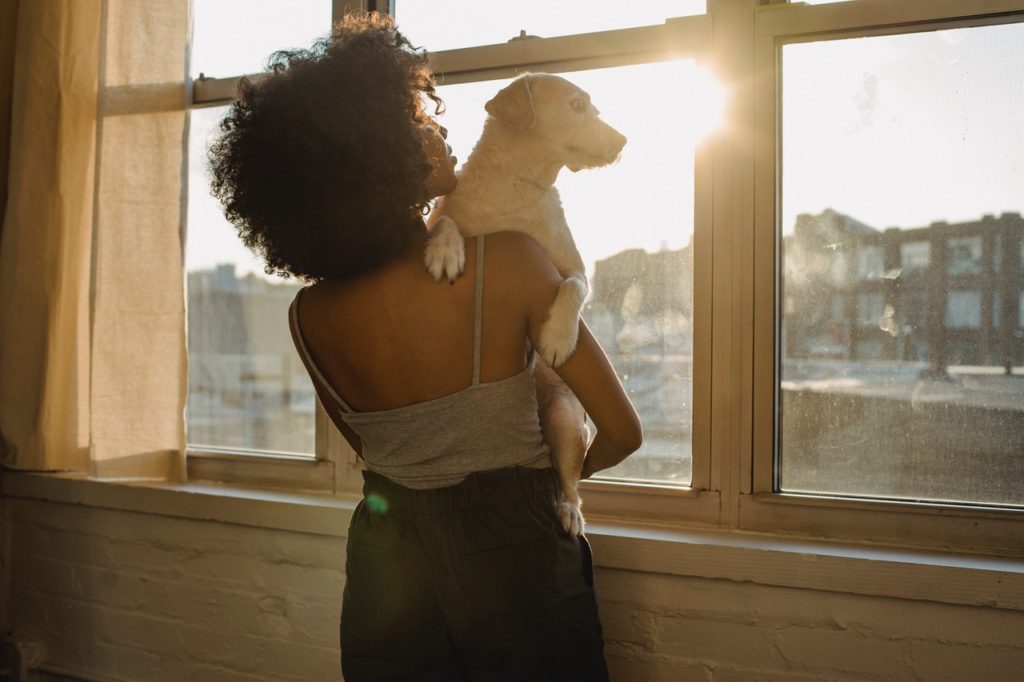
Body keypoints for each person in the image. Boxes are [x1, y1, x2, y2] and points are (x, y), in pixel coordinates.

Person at [208, 12, 642, 682]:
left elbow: (382, 451)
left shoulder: (308, 315)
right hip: (513, 549)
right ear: (373, 154)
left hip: (385, 554)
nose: (439, 127)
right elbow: (621, 430)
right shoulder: (517, 263)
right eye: (417, 119)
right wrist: (538, 488)